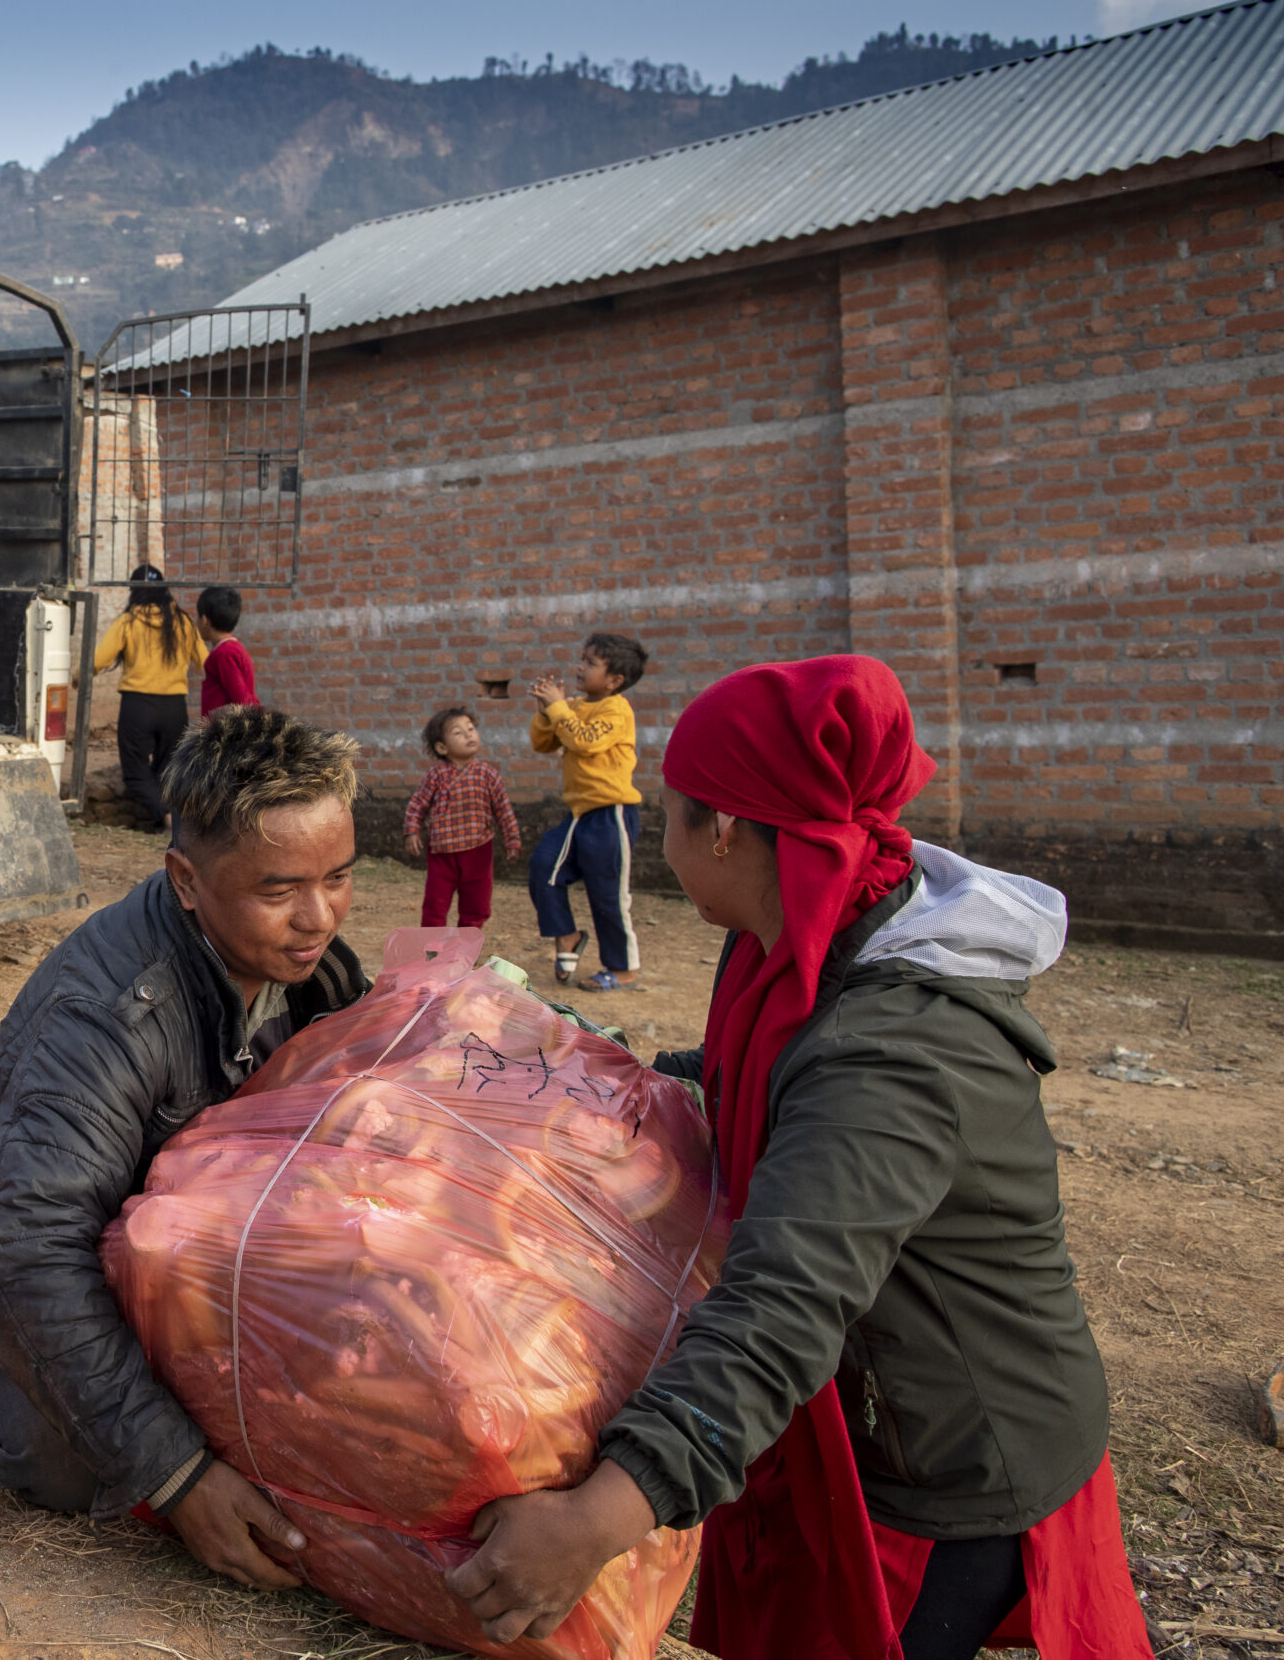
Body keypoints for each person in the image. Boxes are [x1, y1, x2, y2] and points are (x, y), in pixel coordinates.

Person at [447, 655, 1151, 1660]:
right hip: (870, 1418)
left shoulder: (892, 1047)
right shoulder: (799, 932)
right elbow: (747, 1085)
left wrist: (600, 1518)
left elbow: (783, 1301)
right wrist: (573, 1073)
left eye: (668, 813)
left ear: (725, 829)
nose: (657, 837)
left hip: (953, 1454)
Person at [0, 707, 369, 1589]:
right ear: (186, 879)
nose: (317, 915)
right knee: (78, 1477)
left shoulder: (311, 968)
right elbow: (29, 1242)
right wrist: (177, 1476)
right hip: (3, 1245)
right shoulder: (114, 1014)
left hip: (158, 1229)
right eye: (279, 888)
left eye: (339, 877)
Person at [527, 631, 646, 990]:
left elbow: (585, 740)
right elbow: (542, 742)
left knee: (607, 894)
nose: (580, 667)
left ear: (615, 680)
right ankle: (566, 935)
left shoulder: (616, 709)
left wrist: (559, 709)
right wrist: (546, 711)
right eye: (582, 659)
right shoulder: (574, 707)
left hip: (611, 816)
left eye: (591, 663)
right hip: (578, 815)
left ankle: (622, 968)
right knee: (544, 867)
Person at [94, 565, 207, 827]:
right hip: (174, 706)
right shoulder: (183, 621)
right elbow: (206, 661)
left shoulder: (128, 621)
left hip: (138, 705)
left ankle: (165, 817)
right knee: (169, 769)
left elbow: (99, 659)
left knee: (134, 771)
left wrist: (77, 676)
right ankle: (168, 818)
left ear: (134, 590)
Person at [402, 705, 521, 930]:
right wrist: (411, 830)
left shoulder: (487, 774)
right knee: (435, 906)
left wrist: (512, 839)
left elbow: (504, 810)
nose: (468, 735)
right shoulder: (436, 775)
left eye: (471, 729)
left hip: (478, 851)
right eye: (458, 732)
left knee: (476, 906)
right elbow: (417, 804)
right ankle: (432, 951)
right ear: (441, 747)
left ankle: (467, 951)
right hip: (442, 854)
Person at [193, 585, 259, 713]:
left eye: (198, 617)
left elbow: (243, 700)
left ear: (205, 620)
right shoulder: (231, 650)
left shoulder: (224, 654)